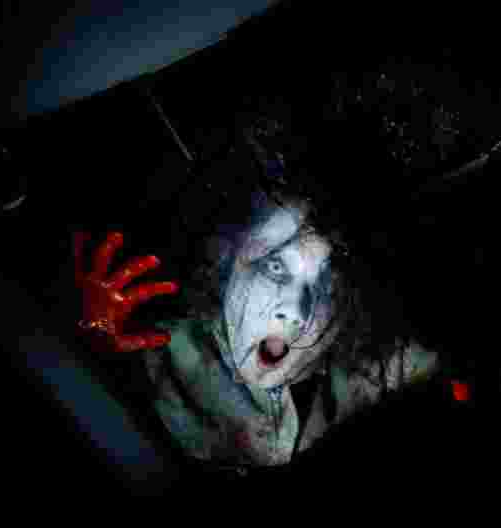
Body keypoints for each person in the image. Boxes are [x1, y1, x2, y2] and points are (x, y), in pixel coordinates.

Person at [73, 135, 441, 470]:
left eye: (326, 287)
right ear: (228, 264)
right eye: (276, 266)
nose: (295, 311)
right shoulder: (157, 360)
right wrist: (89, 348)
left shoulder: (368, 365)